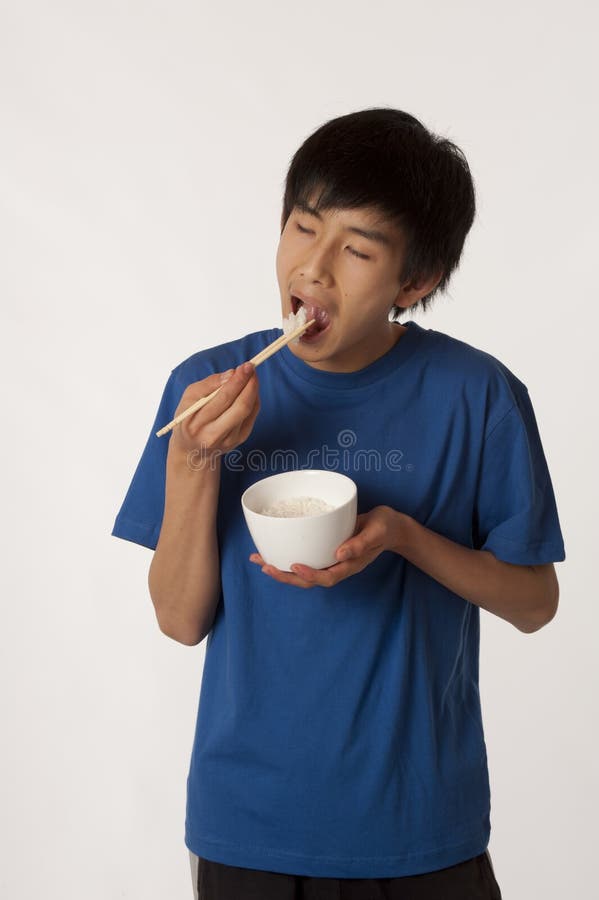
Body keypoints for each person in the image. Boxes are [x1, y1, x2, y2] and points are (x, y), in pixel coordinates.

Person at [111, 108, 565, 899]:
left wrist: (403, 537)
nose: (313, 268)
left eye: (356, 250)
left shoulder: (478, 395)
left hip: (420, 826)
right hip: (247, 823)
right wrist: (193, 460)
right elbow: (179, 621)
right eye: (301, 227)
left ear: (414, 282)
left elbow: (534, 604)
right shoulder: (205, 391)